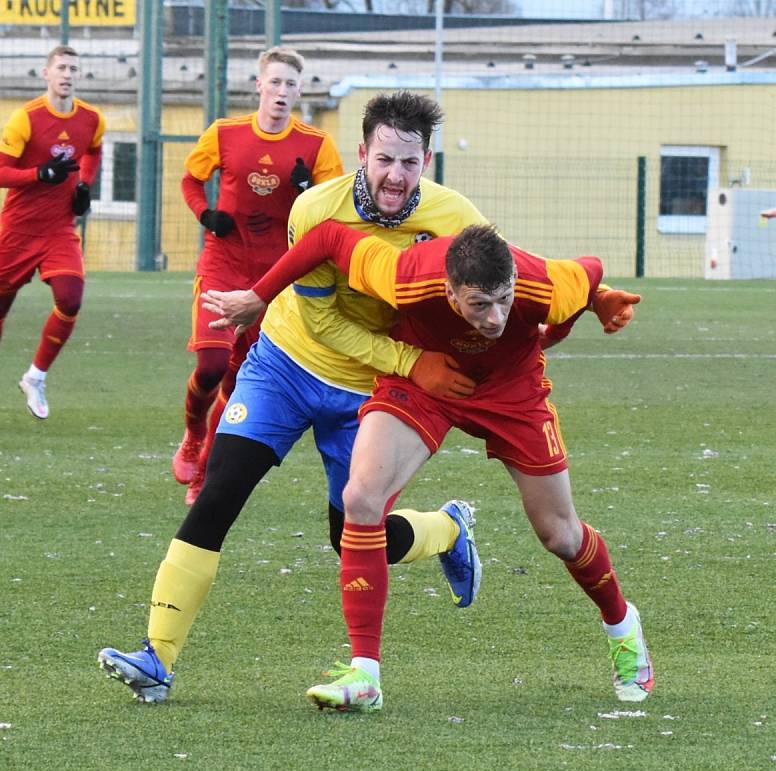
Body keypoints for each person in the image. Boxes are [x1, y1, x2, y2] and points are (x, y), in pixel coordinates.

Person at [97, 91, 487, 703]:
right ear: (361, 153)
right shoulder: (314, 209)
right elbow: (325, 323)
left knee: (354, 538)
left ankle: (445, 530)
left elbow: (495, 294)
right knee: (218, 494)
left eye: (409, 163)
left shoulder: (455, 220)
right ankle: (156, 658)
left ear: (427, 160)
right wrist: (414, 360)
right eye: (384, 159)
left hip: (368, 393)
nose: (395, 176)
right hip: (286, 365)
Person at [203, 218, 650, 712]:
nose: (497, 316)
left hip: (511, 392)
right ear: (450, 292)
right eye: (480, 304)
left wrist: (599, 300)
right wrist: (261, 295)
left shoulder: (541, 281)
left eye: (505, 299)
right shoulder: (405, 273)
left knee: (560, 535)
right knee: (360, 498)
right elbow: (328, 237)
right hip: (424, 383)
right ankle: (365, 674)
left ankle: (623, 627)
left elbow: (588, 273)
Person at [172, 46, 343, 502]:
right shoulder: (225, 133)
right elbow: (190, 180)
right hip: (223, 263)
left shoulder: (316, 145)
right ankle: (192, 435)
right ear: (258, 86)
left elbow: (334, 214)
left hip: (274, 282)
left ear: (300, 91)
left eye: (291, 84)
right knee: (210, 366)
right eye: (275, 82)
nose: (282, 91)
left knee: (236, 382)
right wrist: (205, 214)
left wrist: (310, 189)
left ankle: (203, 471)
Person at [0, 44, 104, 419]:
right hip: (18, 230)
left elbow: (93, 151)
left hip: (59, 229)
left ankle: (35, 377)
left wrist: (84, 186)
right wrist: (37, 174)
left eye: (73, 69)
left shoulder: (91, 118)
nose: (67, 74)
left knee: (71, 296)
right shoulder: (25, 118)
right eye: (60, 67)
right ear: (46, 73)